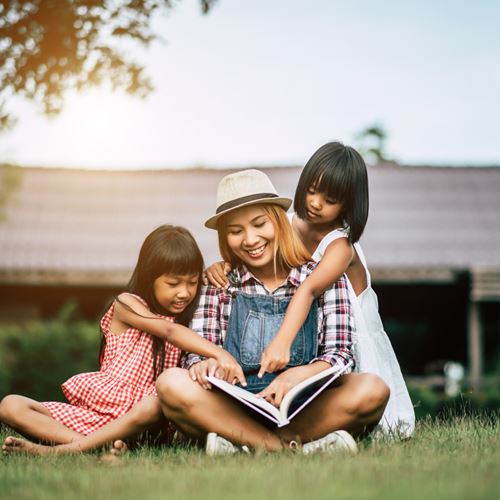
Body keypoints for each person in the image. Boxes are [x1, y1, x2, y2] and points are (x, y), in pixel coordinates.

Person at [155, 170, 390, 455]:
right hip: (231, 407)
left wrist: (296, 376)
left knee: (372, 389)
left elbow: (340, 355)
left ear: (278, 221)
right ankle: (286, 447)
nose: (250, 239)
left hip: (302, 408)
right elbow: (198, 349)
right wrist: (203, 364)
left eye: (259, 224)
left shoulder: (322, 278)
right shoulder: (218, 284)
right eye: (235, 231)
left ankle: (246, 444)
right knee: (171, 383)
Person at [206, 143, 415, 438]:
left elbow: (307, 290)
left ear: (349, 205)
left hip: (345, 328)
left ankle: (290, 435)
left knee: (365, 394)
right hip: (304, 325)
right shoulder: (287, 222)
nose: (316, 203)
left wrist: (281, 342)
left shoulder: (340, 244)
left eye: (330, 199)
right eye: (312, 191)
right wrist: (222, 266)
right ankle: (277, 436)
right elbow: (251, 248)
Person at [0, 225, 244, 456]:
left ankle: (61, 451)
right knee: (11, 405)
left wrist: (215, 270)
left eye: (192, 283)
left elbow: (214, 283)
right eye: (173, 283)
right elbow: (168, 332)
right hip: (99, 411)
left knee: (152, 406)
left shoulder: (190, 317)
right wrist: (219, 353)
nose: (184, 292)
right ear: (150, 278)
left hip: (145, 417)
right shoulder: (127, 304)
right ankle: (96, 446)